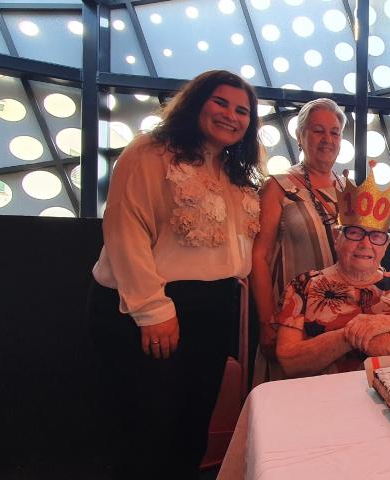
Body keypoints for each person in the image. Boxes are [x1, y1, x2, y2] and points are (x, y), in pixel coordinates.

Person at [87, 70, 262, 478]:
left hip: (213, 307)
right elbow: (124, 229)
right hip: (153, 305)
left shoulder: (235, 172)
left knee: (191, 425)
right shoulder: (151, 153)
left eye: (242, 111)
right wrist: (152, 309)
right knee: (147, 429)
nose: (231, 116)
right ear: (195, 101)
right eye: (221, 102)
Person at [276, 165, 390, 377]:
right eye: (355, 232)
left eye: (376, 236)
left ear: (385, 245)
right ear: (337, 238)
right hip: (325, 400)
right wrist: (353, 336)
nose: (365, 244)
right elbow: (289, 360)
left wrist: (384, 323)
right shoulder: (304, 285)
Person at [250, 98, 346, 384]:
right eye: (318, 130)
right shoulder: (278, 186)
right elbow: (260, 257)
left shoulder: (347, 189)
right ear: (300, 136)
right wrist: (267, 320)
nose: (327, 139)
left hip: (340, 320)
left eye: (334, 132)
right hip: (292, 321)